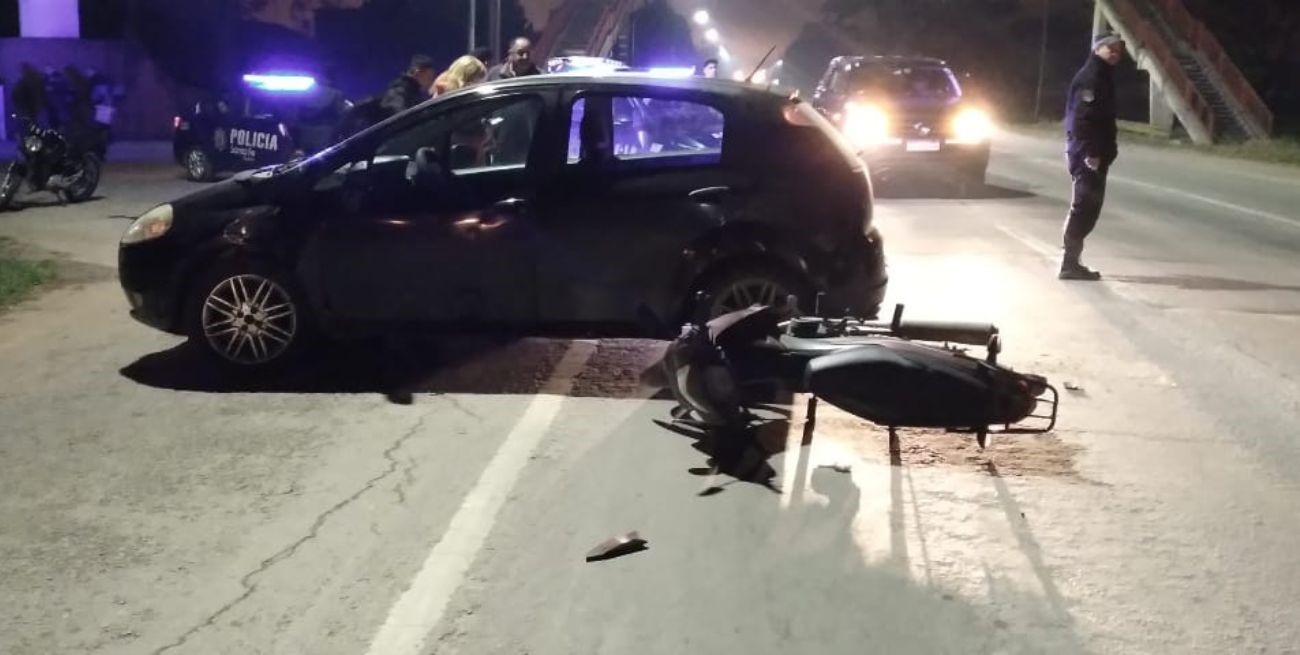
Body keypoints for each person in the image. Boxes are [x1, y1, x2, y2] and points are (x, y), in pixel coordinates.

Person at [1061, 33, 1125, 281]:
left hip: (1095, 153)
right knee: (1084, 207)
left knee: (1090, 208)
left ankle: (1072, 261)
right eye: (1110, 47)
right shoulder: (1092, 77)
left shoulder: (1103, 76)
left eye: (1118, 49)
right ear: (1097, 49)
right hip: (1087, 154)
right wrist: (1092, 152)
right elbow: (1082, 118)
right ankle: (1069, 264)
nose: (1115, 52)